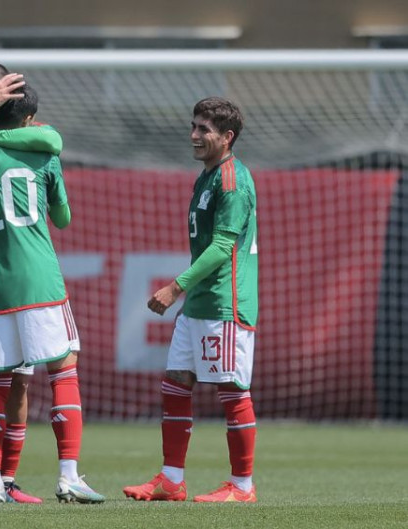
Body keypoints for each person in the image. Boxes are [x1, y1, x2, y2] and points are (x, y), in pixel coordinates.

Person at [0, 85, 104, 504]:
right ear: (28, 120)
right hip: (41, 281)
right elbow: (62, 217)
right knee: (63, 370)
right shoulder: (44, 154)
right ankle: (68, 476)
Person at [122, 97, 258, 503]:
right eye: (194, 126)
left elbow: (221, 248)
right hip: (198, 304)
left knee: (232, 389)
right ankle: (171, 479)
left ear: (227, 137)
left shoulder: (233, 180)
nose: (194, 135)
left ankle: (243, 487)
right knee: (176, 383)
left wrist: (174, 286)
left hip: (224, 303)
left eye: (204, 129)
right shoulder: (207, 176)